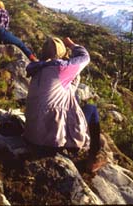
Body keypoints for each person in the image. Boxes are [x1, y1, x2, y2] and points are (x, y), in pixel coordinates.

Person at [24, 36, 107, 173]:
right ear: (62, 53)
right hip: (52, 141)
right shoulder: (61, 68)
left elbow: (66, 92)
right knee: (91, 109)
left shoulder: (37, 69)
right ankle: (94, 157)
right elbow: (85, 57)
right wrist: (72, 44)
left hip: (32, 136)